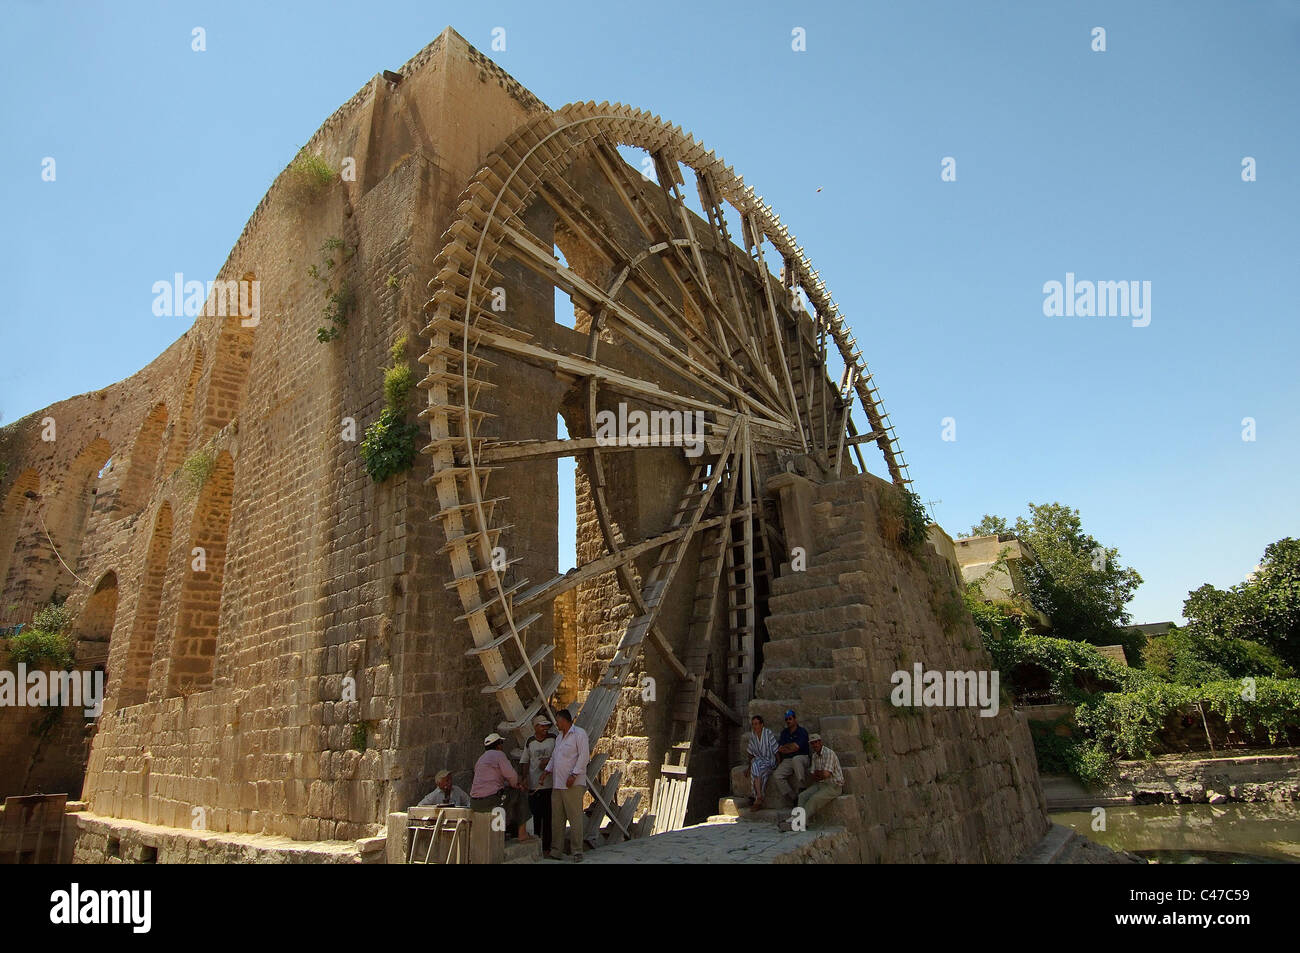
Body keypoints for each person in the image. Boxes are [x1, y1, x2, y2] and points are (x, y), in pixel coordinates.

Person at [542, 708, 589, 862]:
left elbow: (584, 756)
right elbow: (554, 757)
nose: (556, 724)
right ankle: (556, 850)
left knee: (575, 818)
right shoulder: (559, 738)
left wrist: (574, 775)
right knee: (557, 819)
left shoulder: (579, 734)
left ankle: (577, 851)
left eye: (557, 720)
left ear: (564, 720)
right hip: (558, 784)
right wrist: (546, 771)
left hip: (572, 784)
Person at [470, 732, 532, 842]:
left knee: (508, 794)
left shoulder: (480, 759)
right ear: (498, 745)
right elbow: (512, 776)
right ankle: (522, 834)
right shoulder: (499, 755)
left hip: (475, 802)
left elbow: (490, 781)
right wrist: (518, 785)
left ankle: (503, 832)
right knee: (519, 794)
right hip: (491, 800)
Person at [787, 733, 843, 829]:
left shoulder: (829, 753)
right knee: (802, 796)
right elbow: (813, 775)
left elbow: (826, 774)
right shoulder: (814, 756)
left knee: (814, 799)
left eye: (816, 742)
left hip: (833, 786)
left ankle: (798, 820)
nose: (815, 745)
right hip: (820, 783)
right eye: (812, 743)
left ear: (820, 742)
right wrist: (820, 774)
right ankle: (803, 822)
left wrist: (819, 774)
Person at [521, 715, 556, 853]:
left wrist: (548, 761)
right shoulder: (530, 741)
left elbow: (559, 755)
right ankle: (536, 846)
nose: (545, 728)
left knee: (548, 818)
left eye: (546, 725)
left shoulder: (553, 739)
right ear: (535, 727)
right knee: (535, 817)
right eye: (542, 726)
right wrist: (524, 778)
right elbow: (525, 761)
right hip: (534, 785)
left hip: (549, 784)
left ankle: (547, 847)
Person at [770, 709, 811, 803]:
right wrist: (790, 747)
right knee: (777, 775)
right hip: (788, 759)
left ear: (795, 719)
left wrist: (788, 747)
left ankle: (802, 787)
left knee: (796, 759)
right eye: (786, 719)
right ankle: (793, 798)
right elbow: (780, 749)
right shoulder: (784, 733)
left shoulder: (802, 731)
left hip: (802, 757)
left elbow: (796, 747)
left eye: (790, 718)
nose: (788, 721)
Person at [743, 714, 779, 809]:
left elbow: (776, 750)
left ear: (761, 724)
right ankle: (759, 796)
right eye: (753, 724)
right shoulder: (753, 736)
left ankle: (757, 797)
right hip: (760, 762)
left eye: (756, 724)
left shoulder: (768, 733)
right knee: (759, 771)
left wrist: (778, 765)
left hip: (770, 760)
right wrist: (748, 767)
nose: (755, 726)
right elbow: (750, 753)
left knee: (755, 765)